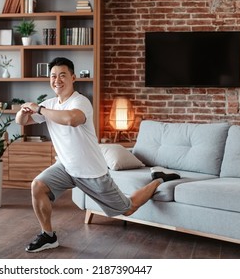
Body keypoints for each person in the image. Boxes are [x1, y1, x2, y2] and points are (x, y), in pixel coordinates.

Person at [15, 57, 180, 253]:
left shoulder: (80, 101)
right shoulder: (50, 103)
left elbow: (71, 119)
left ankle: (158, 180)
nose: (57, 80)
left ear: (73, 77)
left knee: (128, 208)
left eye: (62, 75)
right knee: (38, 186)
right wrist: (24, 111)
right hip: (66, 167)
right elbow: (22, 121)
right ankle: (48, 236)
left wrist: (39, 108)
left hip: (91, 172)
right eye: (53, 76)